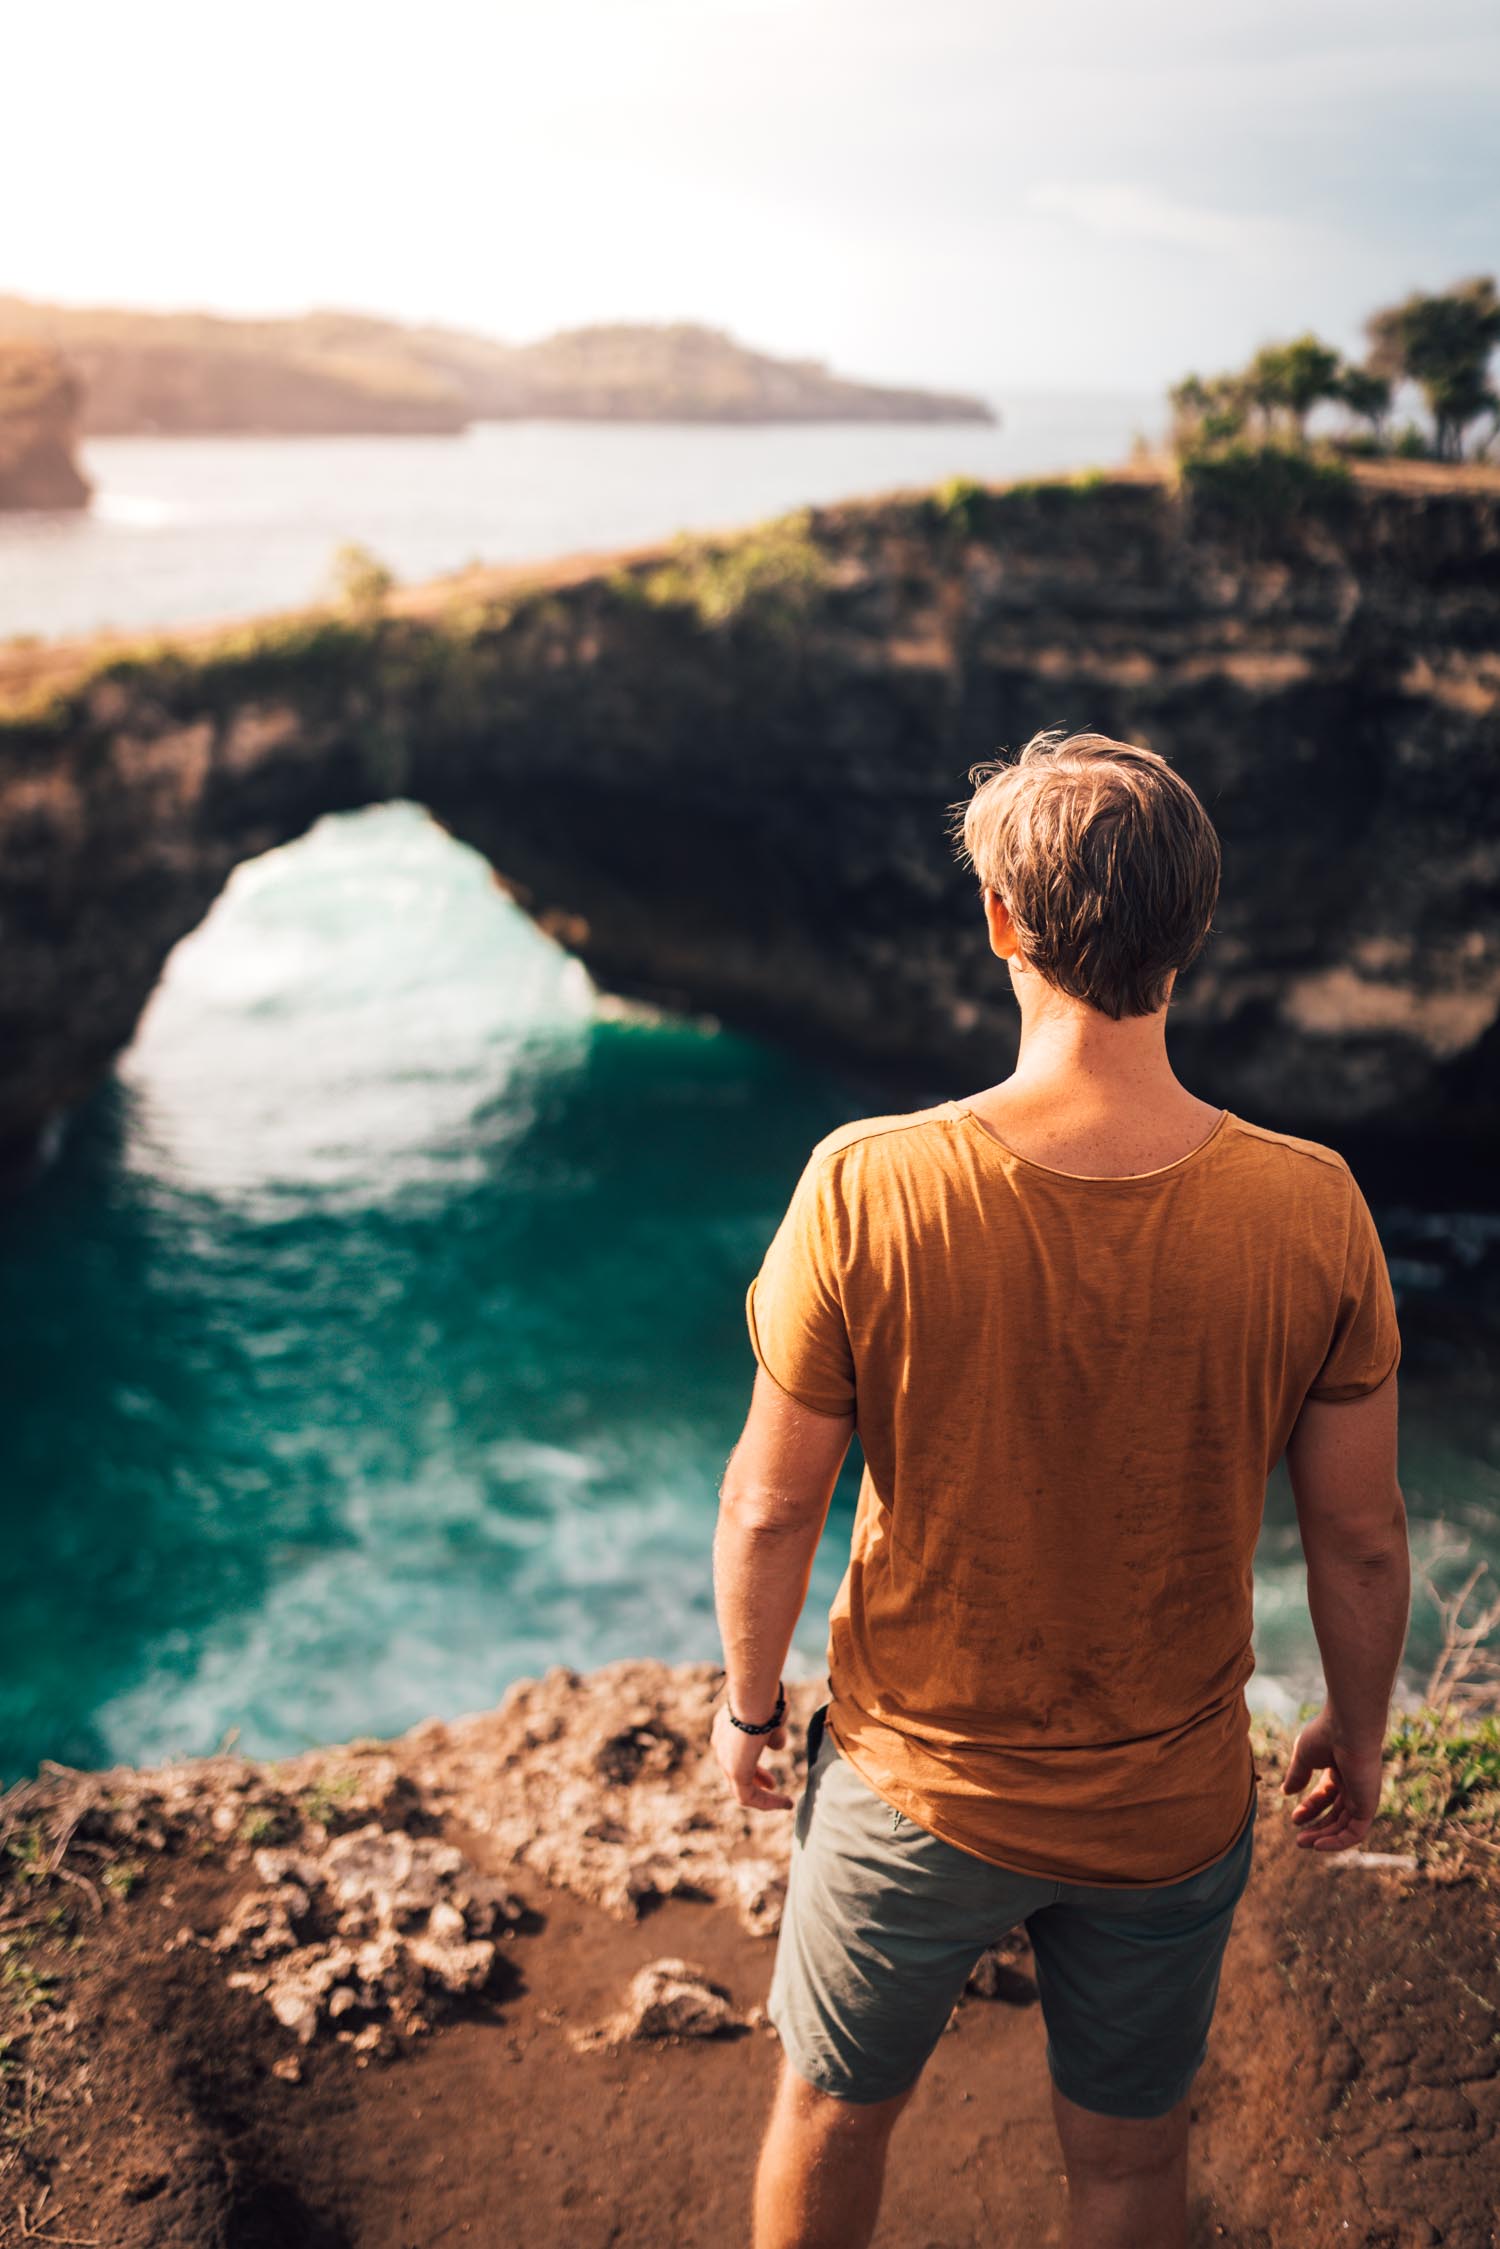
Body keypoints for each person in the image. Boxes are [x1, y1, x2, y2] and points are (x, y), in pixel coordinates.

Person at [710, 729, 1409, 2249]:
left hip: (911, 1788)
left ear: (1002, 924)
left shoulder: (866, 1182)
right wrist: (1357, 1737)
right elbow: (1357, 1538)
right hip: (1167, 1805)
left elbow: (772, 1508)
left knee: (830, 2113)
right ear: (1195, 928)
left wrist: (751, 1709)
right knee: (1129, 2168)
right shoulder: (1314, 1206)